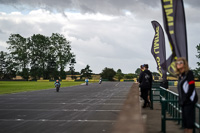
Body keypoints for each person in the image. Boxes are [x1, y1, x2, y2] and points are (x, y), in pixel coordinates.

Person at [176, 57, 198, 133]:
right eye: (177, 63)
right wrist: (181, 99)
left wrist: (186, 98)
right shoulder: (180, 75)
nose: (179, 64)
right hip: (183, 102)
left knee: (189, 123)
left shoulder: (189, 73)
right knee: (185, 123)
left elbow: (191, 87)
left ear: (184, 64)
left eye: (181, 62)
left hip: (189, 101)